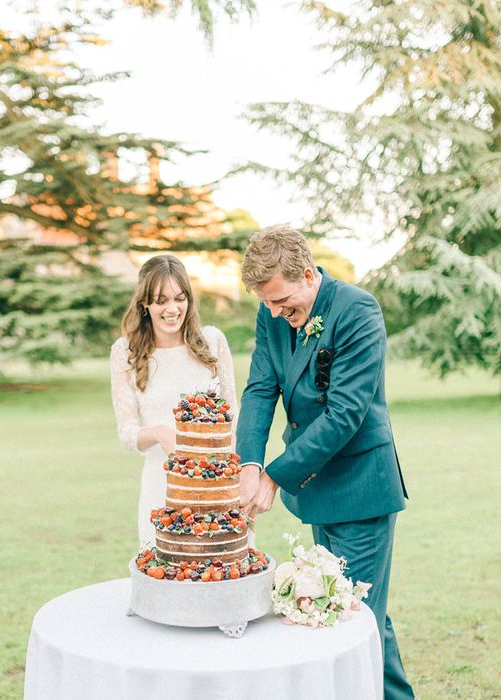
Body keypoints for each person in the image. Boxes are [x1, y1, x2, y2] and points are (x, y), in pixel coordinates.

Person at [236, 225, 414, 700]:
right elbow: (259, 388)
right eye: (268, 303)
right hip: (315, 491)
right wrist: (249, 463)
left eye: (284, 303)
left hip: (360, 488)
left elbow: (345, 414)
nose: (276, 313)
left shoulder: (357, 310)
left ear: (309, 275)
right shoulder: (272, 309)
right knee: (360, 613)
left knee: (351, 627)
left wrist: (275, 474)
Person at [110, 254, 238, 550]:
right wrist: (158, 433)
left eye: (180, 298)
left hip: (215, 486)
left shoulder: (212, 342)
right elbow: (127, 432)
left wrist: (232, 484)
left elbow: (233, 419)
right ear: (145, 304)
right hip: (161, 488)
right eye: (161, 300)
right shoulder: (124, 353)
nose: (172, 308)